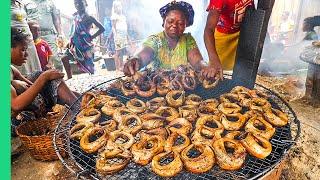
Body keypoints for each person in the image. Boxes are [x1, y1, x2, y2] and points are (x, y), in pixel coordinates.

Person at [10, 27, 77, 136]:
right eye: (22, 50)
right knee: (42, 78)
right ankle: (76, 106)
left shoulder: (11, 68)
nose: (26, 54)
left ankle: (76, 103)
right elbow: (16, 105)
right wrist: (44, 78)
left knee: (40, 75)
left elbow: (33, 86)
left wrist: (47, 81)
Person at [123, 1, 215, 78]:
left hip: (181, 88)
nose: (174, 25)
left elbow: (198, 62)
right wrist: (136, 59)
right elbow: (144, 55)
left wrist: (205, 66)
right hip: (156, 87)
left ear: (185, 26)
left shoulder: (187, 40)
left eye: (180, 23)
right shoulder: (156, 40)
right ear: (164, 22)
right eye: (170, 21)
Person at [204, 0, 254, 75]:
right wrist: (213, 60)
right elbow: (209, 29)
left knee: (244, 72)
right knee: (223, 75)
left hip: (244, 34)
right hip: (224, 41)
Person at [61, 0, 105, 79]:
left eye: (80, 3)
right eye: (75, 3)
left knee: (90, 67)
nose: (77, 5)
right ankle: (70, 78)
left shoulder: (89, 17)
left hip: (86, 45)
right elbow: (75, 31)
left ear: (85, 4)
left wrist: (91, 37)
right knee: (64, 57)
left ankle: (93, 81)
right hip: (76, 43)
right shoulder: (75, 17)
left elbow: (102, 29)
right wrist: (71, 41)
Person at [23, 0, 64, 71]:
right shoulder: (25, 2)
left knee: (55, 58)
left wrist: (60, 34)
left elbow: (56, 19)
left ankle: (59, 80)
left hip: (48, 35)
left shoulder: (50, 2)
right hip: (32, 36)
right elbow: (23, 19)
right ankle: (41, 80)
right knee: (37, 59)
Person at [11, 0, 41, 75]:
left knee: (33, 68)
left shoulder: (19, 4)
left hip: (28, 41)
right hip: (16, 42)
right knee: (21, 69)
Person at [111, 0, 128, 71]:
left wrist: (127, 36)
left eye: (120, 6)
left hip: (124, 35)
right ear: (114, 8)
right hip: (118, 35)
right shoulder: (114, 16)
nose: (119, 8)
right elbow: (113, 27)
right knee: (118, 52)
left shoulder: (123, 16)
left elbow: (125, 27)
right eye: (117, 6)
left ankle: (121, 66)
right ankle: (117, 68)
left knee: (122, 52)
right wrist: (116, 36)